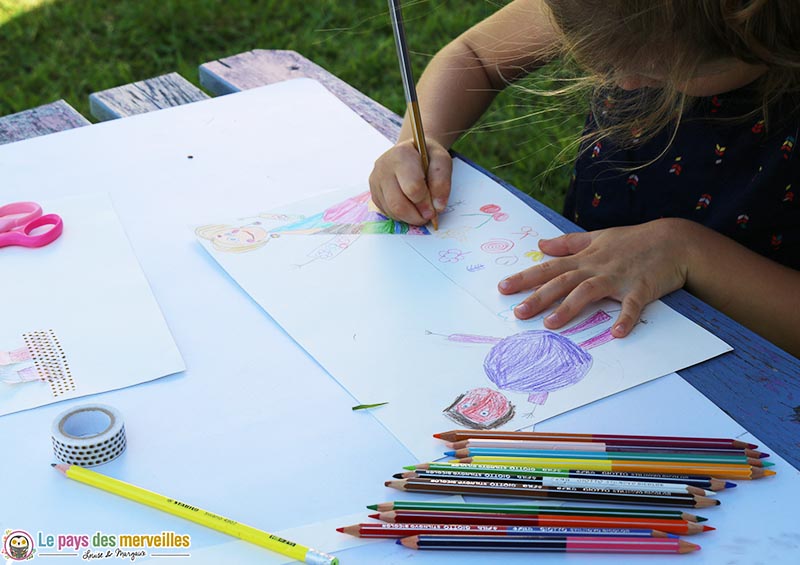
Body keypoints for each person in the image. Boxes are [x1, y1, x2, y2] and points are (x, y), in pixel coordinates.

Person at [369, 0, 800, 356]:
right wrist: (420, 142)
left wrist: (687, 251)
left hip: (750, 360)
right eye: (604, 63)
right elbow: (476, 55)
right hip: (601, 327)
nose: (626, 84)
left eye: (658, 73)